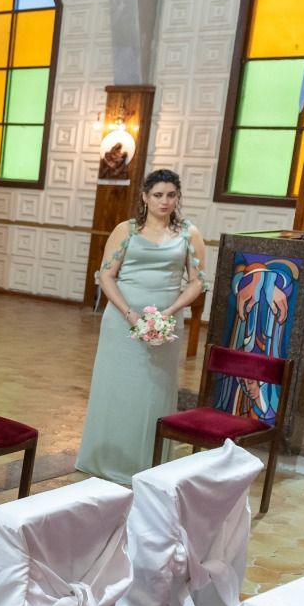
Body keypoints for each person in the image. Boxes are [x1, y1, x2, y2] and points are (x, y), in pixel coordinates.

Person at [77, 168, 208, 484]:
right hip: (122, 321)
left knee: (153, 389)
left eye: (171, 195)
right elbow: (106, 275)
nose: (165, 202)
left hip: (165, 322)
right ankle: (105, 457)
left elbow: (197, 282)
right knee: (116, 388)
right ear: (145, 197)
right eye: (158, 195)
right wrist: (130, 314)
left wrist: (170, 312)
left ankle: (145, 462)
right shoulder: (126, 231)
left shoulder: (190, 234)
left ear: (178, 197)